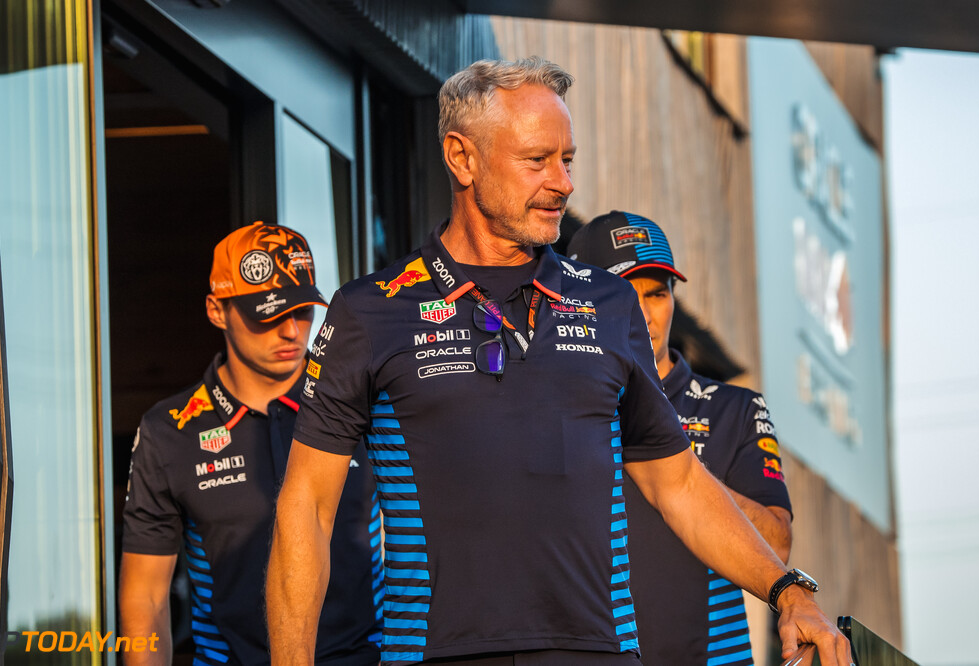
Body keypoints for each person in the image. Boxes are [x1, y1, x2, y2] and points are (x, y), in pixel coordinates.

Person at [266, 57, 852, 666]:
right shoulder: (370, 310)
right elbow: (305, 509)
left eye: (566, 160)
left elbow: (677, 483)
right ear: (462, 158)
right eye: (536, 160)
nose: (563, 183)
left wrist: (788, 592)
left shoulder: (609, 302)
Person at [120, 222, 383, 665]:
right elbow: (146, 597)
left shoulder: (365, 406)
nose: (292, 332)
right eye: (268, 314)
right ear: (216, 310)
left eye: (302, 311)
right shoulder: (169, 431)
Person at [568, 211, 795, 665]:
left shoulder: (733, 408)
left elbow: (776, 543)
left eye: (657, 293)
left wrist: (677, 471)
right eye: (626, 295)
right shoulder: (563, 408)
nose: (647, 314)